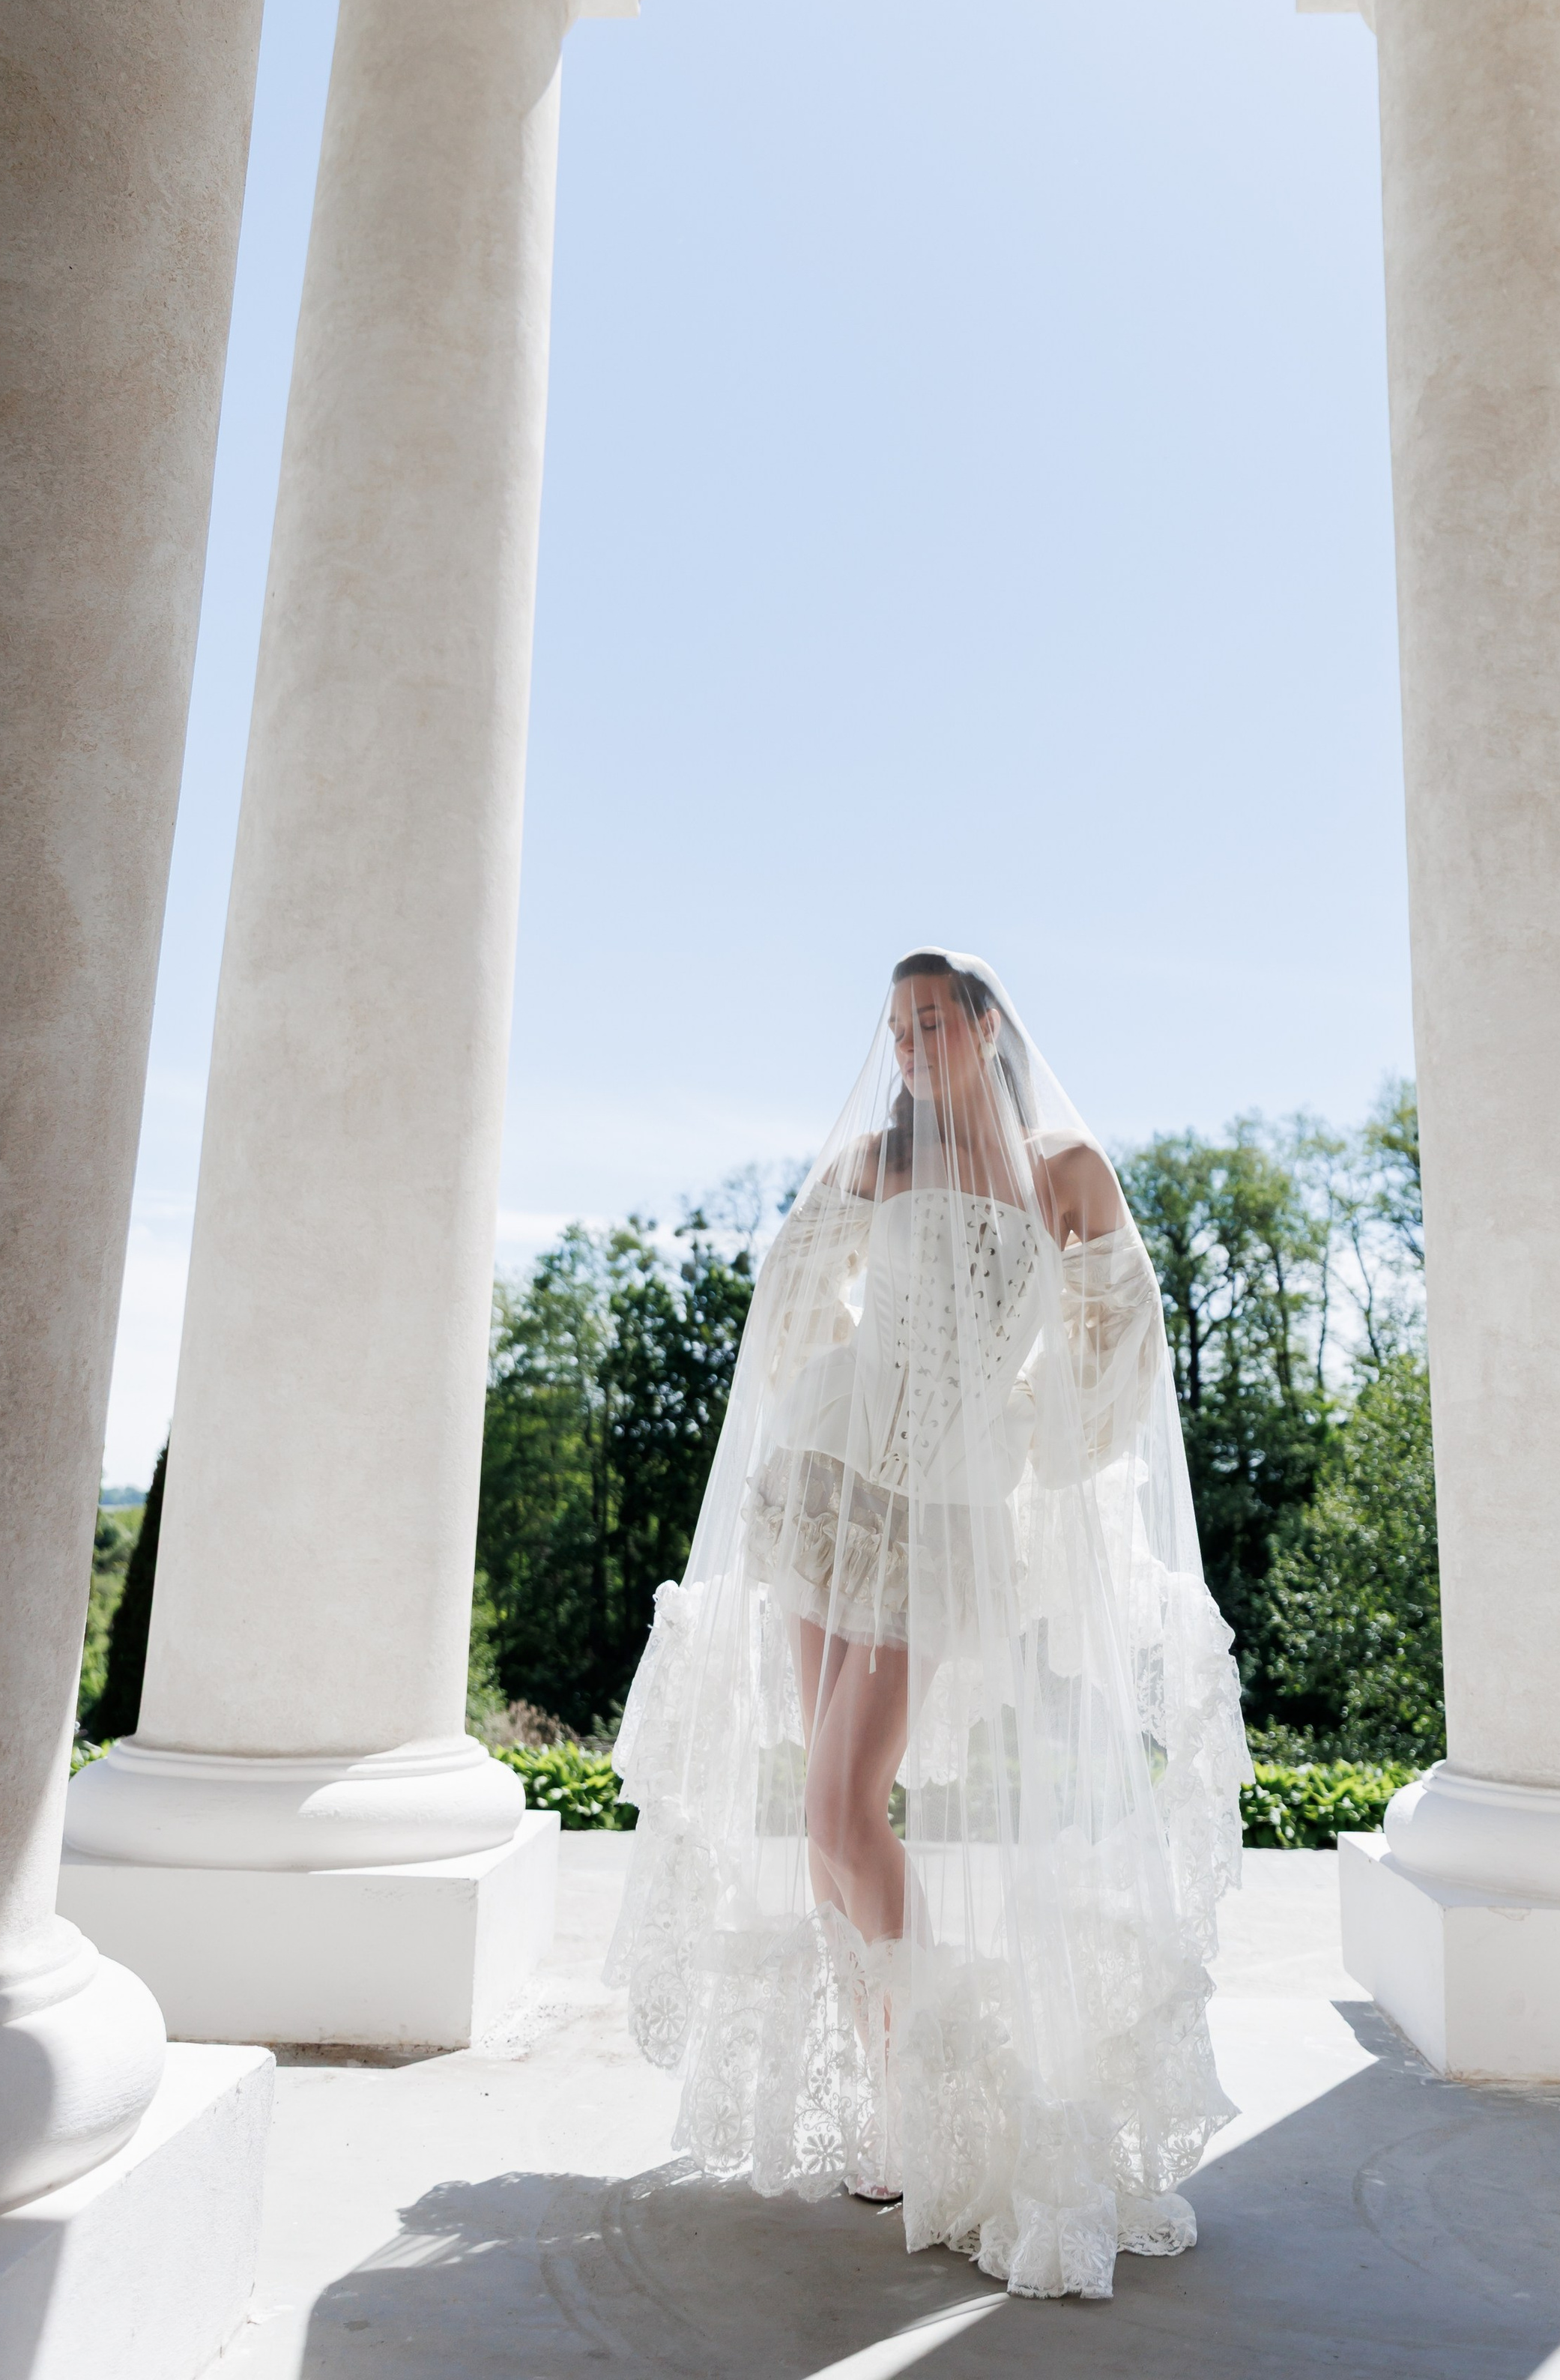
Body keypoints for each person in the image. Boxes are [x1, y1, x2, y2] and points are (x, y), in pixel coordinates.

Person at [605, 951, 1250, 2301]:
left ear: (985, 1024)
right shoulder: (876, 1163)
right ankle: (885, 2112)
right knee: (820, 1815)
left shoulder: (1064, 1163)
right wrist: (822, 1374)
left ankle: (922, 2101)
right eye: (892, 1026)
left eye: (929, 1020)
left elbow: (1123, 1337)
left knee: (846, 1809)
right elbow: (790, 1292)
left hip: (950, 1509)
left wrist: (1033, 1443)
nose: (906, 1044)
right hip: (831, 1479)